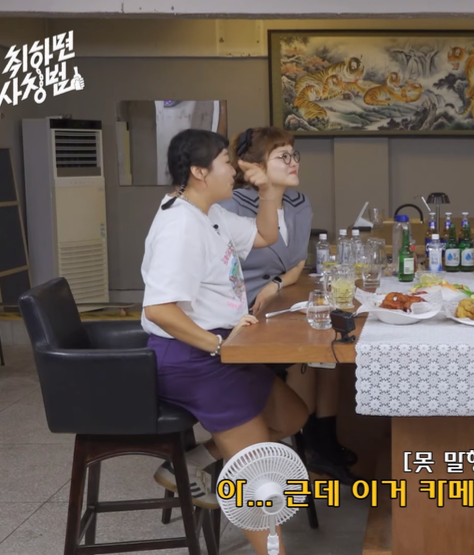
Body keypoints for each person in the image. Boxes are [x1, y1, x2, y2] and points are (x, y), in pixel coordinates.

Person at [141, 128, 308, 554]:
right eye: (226, 163)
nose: (234, 170)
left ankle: (194, 461)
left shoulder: (208, 211)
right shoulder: (180, 226)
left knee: (292, 415)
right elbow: (159, 310)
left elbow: (265, 235)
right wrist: (218, 347)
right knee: (261, 471)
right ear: (200, 172)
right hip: (193, 356)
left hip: (224, 347)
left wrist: (268, 190)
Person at [216, 126, 360, 484]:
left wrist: (278, 282)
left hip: (278, 301)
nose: (294, 162)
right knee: (315, 350)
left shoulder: (298, 202)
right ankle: (306, 442)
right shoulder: (230, 206)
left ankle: (320, 442)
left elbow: (297, 263)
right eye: (283, 156)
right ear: (253, 165)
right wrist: (277, 282)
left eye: (294, 155)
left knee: (329, 342)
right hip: (240, 314)